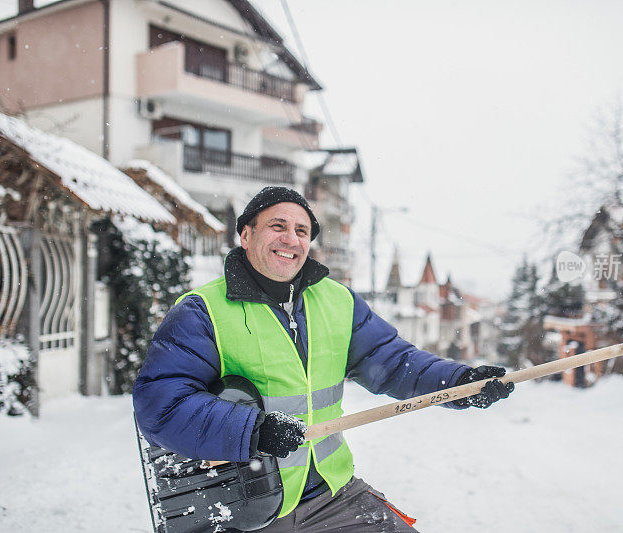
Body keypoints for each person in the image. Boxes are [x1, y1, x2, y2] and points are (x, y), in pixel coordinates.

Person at [133, 186, 513, 532]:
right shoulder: (203, 310)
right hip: (250, 507)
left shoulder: (337, 301)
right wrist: (250, 429)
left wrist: (459, 382)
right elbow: (160, 404)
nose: (291, 238)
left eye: (301, 231)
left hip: (333, 497)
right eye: (277, 226)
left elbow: (394, 362)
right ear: (246, 235)